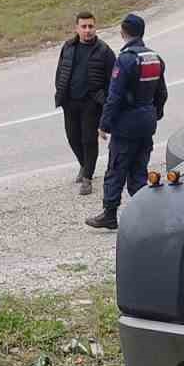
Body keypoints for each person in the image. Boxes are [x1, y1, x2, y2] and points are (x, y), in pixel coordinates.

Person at [86, 13, 167, 231]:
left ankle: (110, 214)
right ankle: (146, 215)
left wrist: (104, 124)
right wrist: (153, 113)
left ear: (123, 33)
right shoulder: (155, 58)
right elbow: (162, 93)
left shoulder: (126, 59)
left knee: (116, 169)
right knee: (139, 170)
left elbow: (115, 96)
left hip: (127, 125)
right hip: (147, 122)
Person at [54, 12, 115, 197]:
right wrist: (60, 93)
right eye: (84, 26)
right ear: (77, 28)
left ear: (95, 28)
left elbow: (113, 81)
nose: (87, 30)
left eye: (91, 26)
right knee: (73, 138)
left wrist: (105, 102)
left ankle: (87, 177)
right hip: (70, 102)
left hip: (91, 103)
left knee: (89, 140)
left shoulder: (104, 51)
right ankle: (84, 164)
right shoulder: (68, 47)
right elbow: (60, 72)